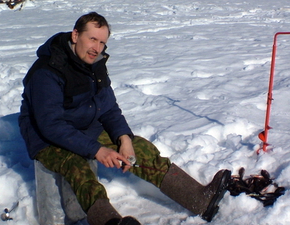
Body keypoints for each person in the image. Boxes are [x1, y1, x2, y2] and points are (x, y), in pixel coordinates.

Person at [18, 12, 231, 225]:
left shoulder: (95, 65)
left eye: (102, 42)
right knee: (78, 168)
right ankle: (110, 222)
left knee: (141, 150)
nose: (97, 48)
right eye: (92, 39)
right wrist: (96, 150)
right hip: (47, 138)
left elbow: (108, 108)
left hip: (84, 127)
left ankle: (199, 199)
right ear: (75, 35)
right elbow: (50, 125)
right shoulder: (47, 71)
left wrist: (124, 138)